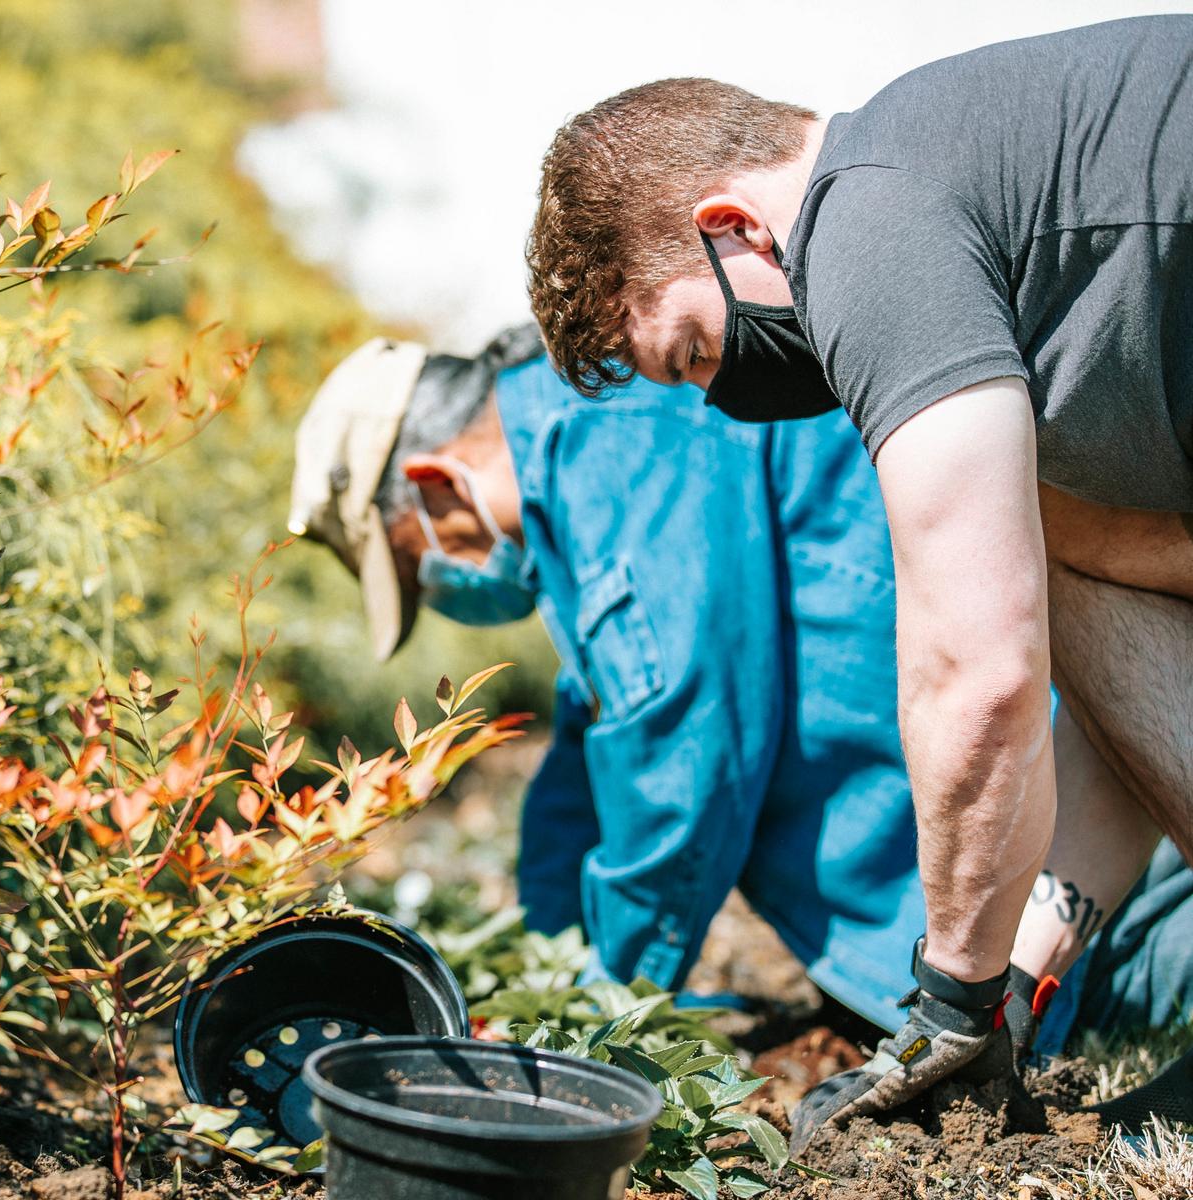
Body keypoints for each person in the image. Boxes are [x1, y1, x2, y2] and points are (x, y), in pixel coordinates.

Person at [523, 16, 1193, 1140]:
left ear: (734, 230)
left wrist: (951, 1002)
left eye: (693, 352)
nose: (717, 394)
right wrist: (1023, 977)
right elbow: (1126, 701)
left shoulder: (866, 225)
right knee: (1065, 544)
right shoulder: (961, 195)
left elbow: (976, 671)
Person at [287, 327, 1193, 1057]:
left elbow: (683, 762)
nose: (450, 588)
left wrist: (594, 1026)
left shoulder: (617, 438)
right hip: (961, 852)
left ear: (436, 483)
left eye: (420, 566)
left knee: (1155, 968)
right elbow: (590, 757)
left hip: (1057, 854)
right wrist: (545, 956)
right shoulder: (581, 459)